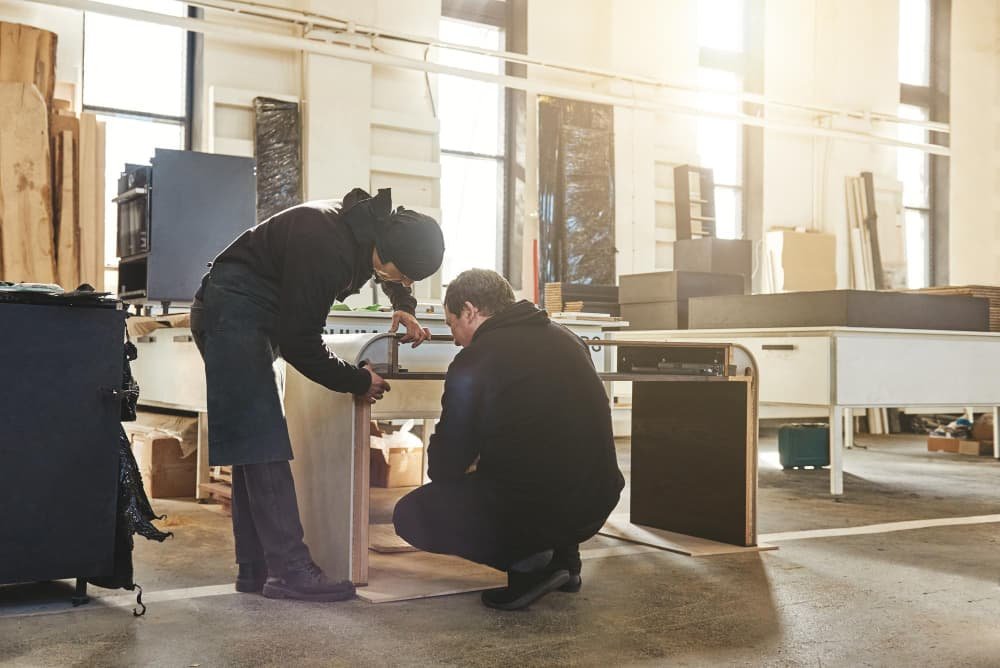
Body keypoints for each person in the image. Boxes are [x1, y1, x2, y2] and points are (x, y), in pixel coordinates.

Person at [191, 187, 444, 602]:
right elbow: (300, 343)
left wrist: (406, 305)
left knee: (251, 445)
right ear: (389, 252)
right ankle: (289, 570)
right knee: (261, 440)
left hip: (246, 312)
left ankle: (256, 568)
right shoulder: (328, 246)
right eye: (404, 275)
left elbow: (391, 271)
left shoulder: (367, 227)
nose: (404, 283)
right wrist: (359, 381)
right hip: (232, 314)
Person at [392, 269, 625, 610]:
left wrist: (475, 463)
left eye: (452, 322)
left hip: (534, 507)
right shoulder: (567, 338)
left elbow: (444, 466)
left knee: (411, 513)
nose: (455, 337)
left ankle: (529, 567)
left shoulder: (475, 360)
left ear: (470, 311)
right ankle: (565, 563)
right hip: (597, 501)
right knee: (547, 465)